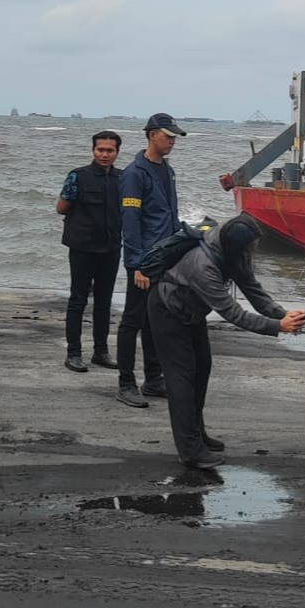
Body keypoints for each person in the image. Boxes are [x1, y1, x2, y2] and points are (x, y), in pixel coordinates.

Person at [149, 215, 305, 468]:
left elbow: (250, 285)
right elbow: (233, 313)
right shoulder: (203, 266)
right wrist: (277, 327)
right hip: (168, 311)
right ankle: (190, 450)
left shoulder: (233, 249)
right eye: (249, 249)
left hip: (192, 311)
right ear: (235, 246)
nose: (251, 254)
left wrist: (281, 313)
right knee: (182, 379)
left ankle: (197, 434)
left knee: (202, 370)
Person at [115, 113, 185, 408]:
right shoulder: (135, 173)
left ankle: (153, 379)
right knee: (132, 320)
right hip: (145, 261)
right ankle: (126, 383)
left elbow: (168, 214)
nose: (171, 141)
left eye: (173, 137)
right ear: (151, 134)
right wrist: (138, 265)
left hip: (165, 257)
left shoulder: (166, 170)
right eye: (167, 136)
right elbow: (130, 222)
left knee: (155, 320)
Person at [56, 131, 124, 372]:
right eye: (100, 150)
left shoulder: (123, 179)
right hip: (82, 246)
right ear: (93, 151)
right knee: (78, 300)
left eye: (110, 150)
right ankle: (73, 353)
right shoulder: (78, 176)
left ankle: (101, 352)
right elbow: (61, 207)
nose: (105, 154)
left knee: (104, 302)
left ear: (117, 152)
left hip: (111, 247)